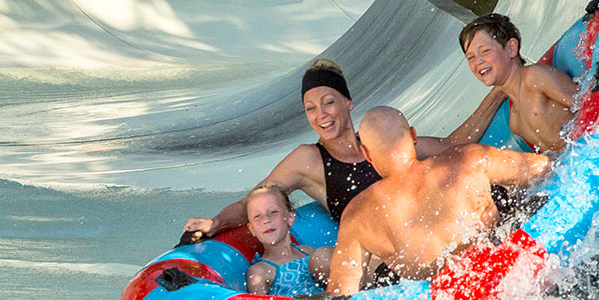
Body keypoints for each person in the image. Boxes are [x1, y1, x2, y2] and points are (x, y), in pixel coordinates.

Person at [182, 58, 446, 237]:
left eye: (328, 102)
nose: (321, 115)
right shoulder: (308, 159)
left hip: (423, 234)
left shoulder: (378, 139)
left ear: (348, 102)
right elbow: (253, 201)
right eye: (310, 108)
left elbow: (450, 148)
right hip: (377, 254)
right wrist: (215, 223)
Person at [328, 107, 552, 295]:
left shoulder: (357, 215)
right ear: (413, 136)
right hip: (514, 274)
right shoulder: (468, 159)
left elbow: (340, 296)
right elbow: (545, 167)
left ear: (366, 153)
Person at [444, 13, 577, 155]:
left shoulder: (535, 77)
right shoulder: (515, 120)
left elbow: (585, 103)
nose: (478, 61)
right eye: (470, 57)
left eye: (485, 51)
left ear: (511, 48)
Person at [239, 184, 324, 296]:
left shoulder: (308, 252)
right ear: (252, 229)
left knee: (324, 254)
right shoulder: (260, 271)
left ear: (290, 218)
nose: (266, 220)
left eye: (273, 212)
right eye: (257, 216)